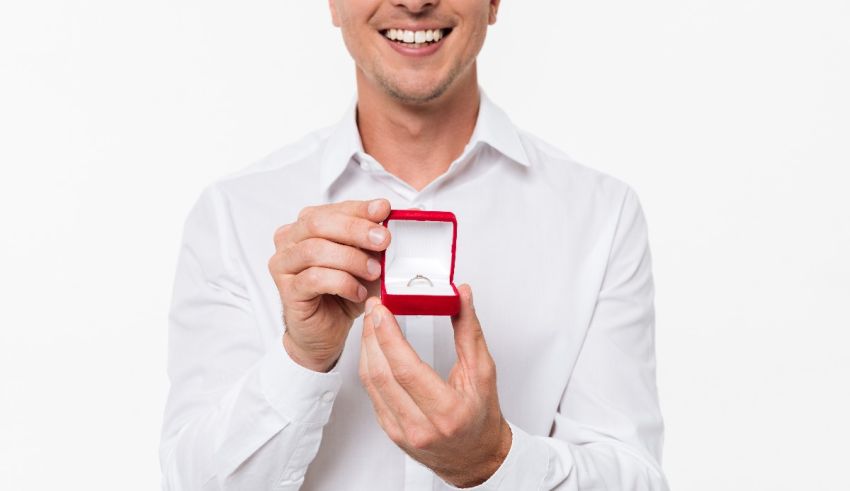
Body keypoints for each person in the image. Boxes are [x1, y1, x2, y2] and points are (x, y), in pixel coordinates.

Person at [160, 0, 669, 489]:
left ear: (494, 2)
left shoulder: (601, 216)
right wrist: (301, 357)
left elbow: (636, 479)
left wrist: (492, 461)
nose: (415, 1)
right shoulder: (232, 215)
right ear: (334, 4)